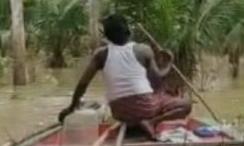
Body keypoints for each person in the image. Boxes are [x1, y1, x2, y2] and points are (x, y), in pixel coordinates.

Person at [58, 14, 192, 137]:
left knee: (155, 96)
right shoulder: (143, 50)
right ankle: (151, 122)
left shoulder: (100, 55)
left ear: (107, 36)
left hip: (119, 112)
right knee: (186, 104)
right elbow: (157, 81)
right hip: (146, 108)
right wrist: (168, 64)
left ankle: (136, 123)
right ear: (128, 31)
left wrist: (72, 107)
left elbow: (82, 84)